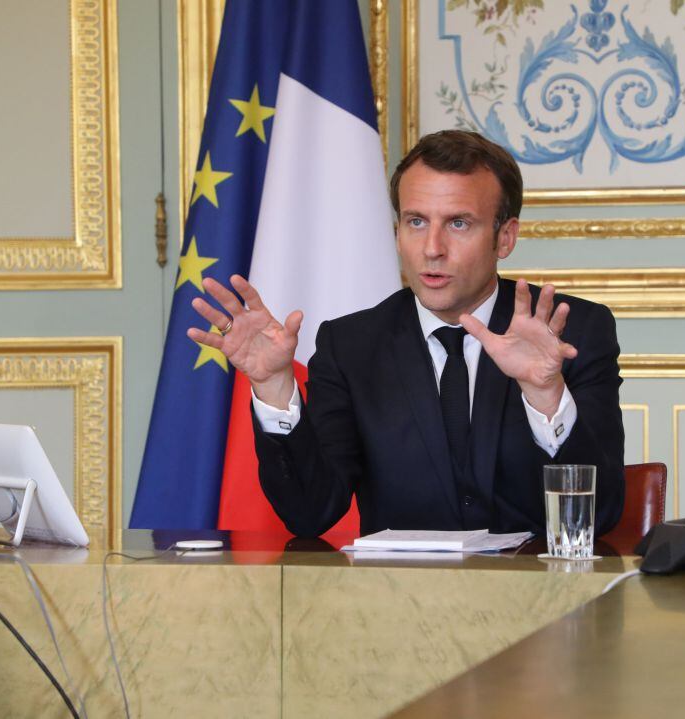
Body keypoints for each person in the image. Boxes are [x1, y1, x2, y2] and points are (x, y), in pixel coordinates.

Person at [187, 130, 624, 538]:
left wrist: (546, 395)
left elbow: (599, 516)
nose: (432, 248)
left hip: (540, 604)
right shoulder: (352, 347)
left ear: (505, 237)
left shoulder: (572, 332)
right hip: (398, 608)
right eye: (416, 222)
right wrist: (274, 387)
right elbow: (310, 512)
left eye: (458, 223)